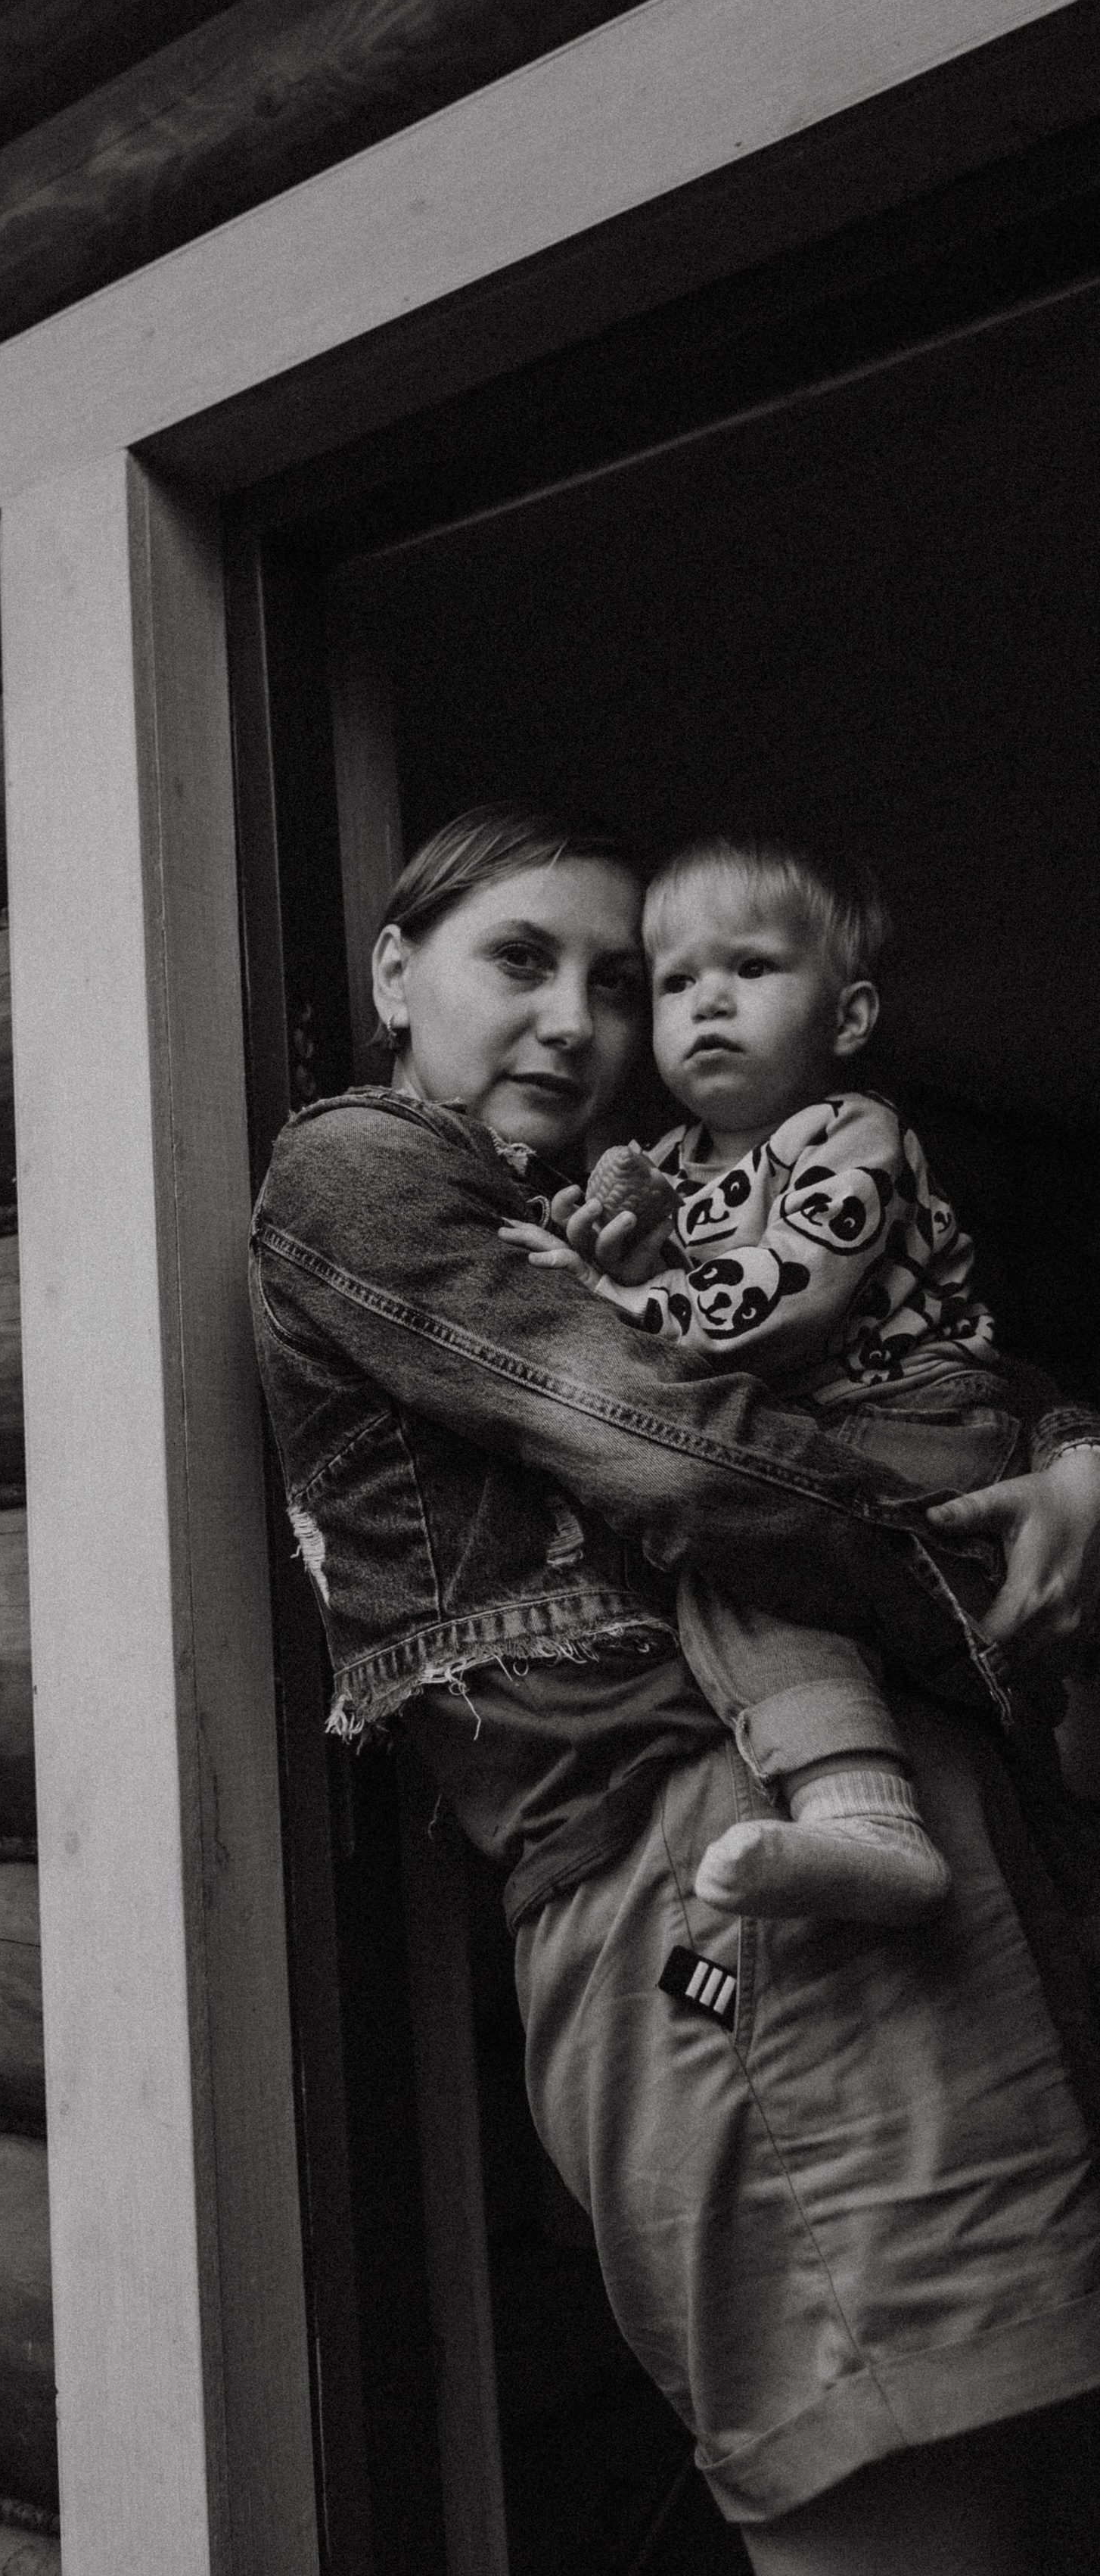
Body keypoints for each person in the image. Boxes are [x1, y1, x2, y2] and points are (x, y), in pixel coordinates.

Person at [248, 803, 1100, 2571]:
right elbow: (683, 1453)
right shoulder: (362, 1170)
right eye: (517, 960)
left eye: (614, 984)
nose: (574, 1021)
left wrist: (1075, 1452)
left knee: (1016, 2469)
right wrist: (975, 1581)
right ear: (392, 973)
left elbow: (911, 1370)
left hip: (894, 1874)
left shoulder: (664, 1210)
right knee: (893, 2475)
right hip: (715, 1892)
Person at [500, 835, 1036, 1931]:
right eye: (676, 982)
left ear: (848, 1018)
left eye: (751, 968)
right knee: (730, 1552)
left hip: (922, 1417)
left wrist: (619, 1301)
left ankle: (870, 1817)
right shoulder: (668, 1162)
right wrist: (598, 1251)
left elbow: (784, 1294)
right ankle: (863, 1815)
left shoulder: (850, 1133)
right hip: (827, 1431)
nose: (709, 1002)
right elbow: (653, 1280)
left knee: (743, 1539)